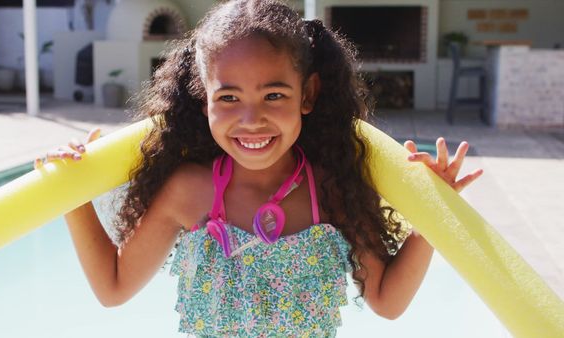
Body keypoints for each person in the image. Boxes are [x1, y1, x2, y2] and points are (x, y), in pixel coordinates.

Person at [35, 0, 483, 336]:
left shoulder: (329, 189)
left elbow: (386, 302)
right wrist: (72, 196)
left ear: (307, 94)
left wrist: (429, 223)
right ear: (203, 98)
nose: (251, 120)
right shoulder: (190, 192)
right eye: (228, 98)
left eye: (274, 95)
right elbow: (113, 288)